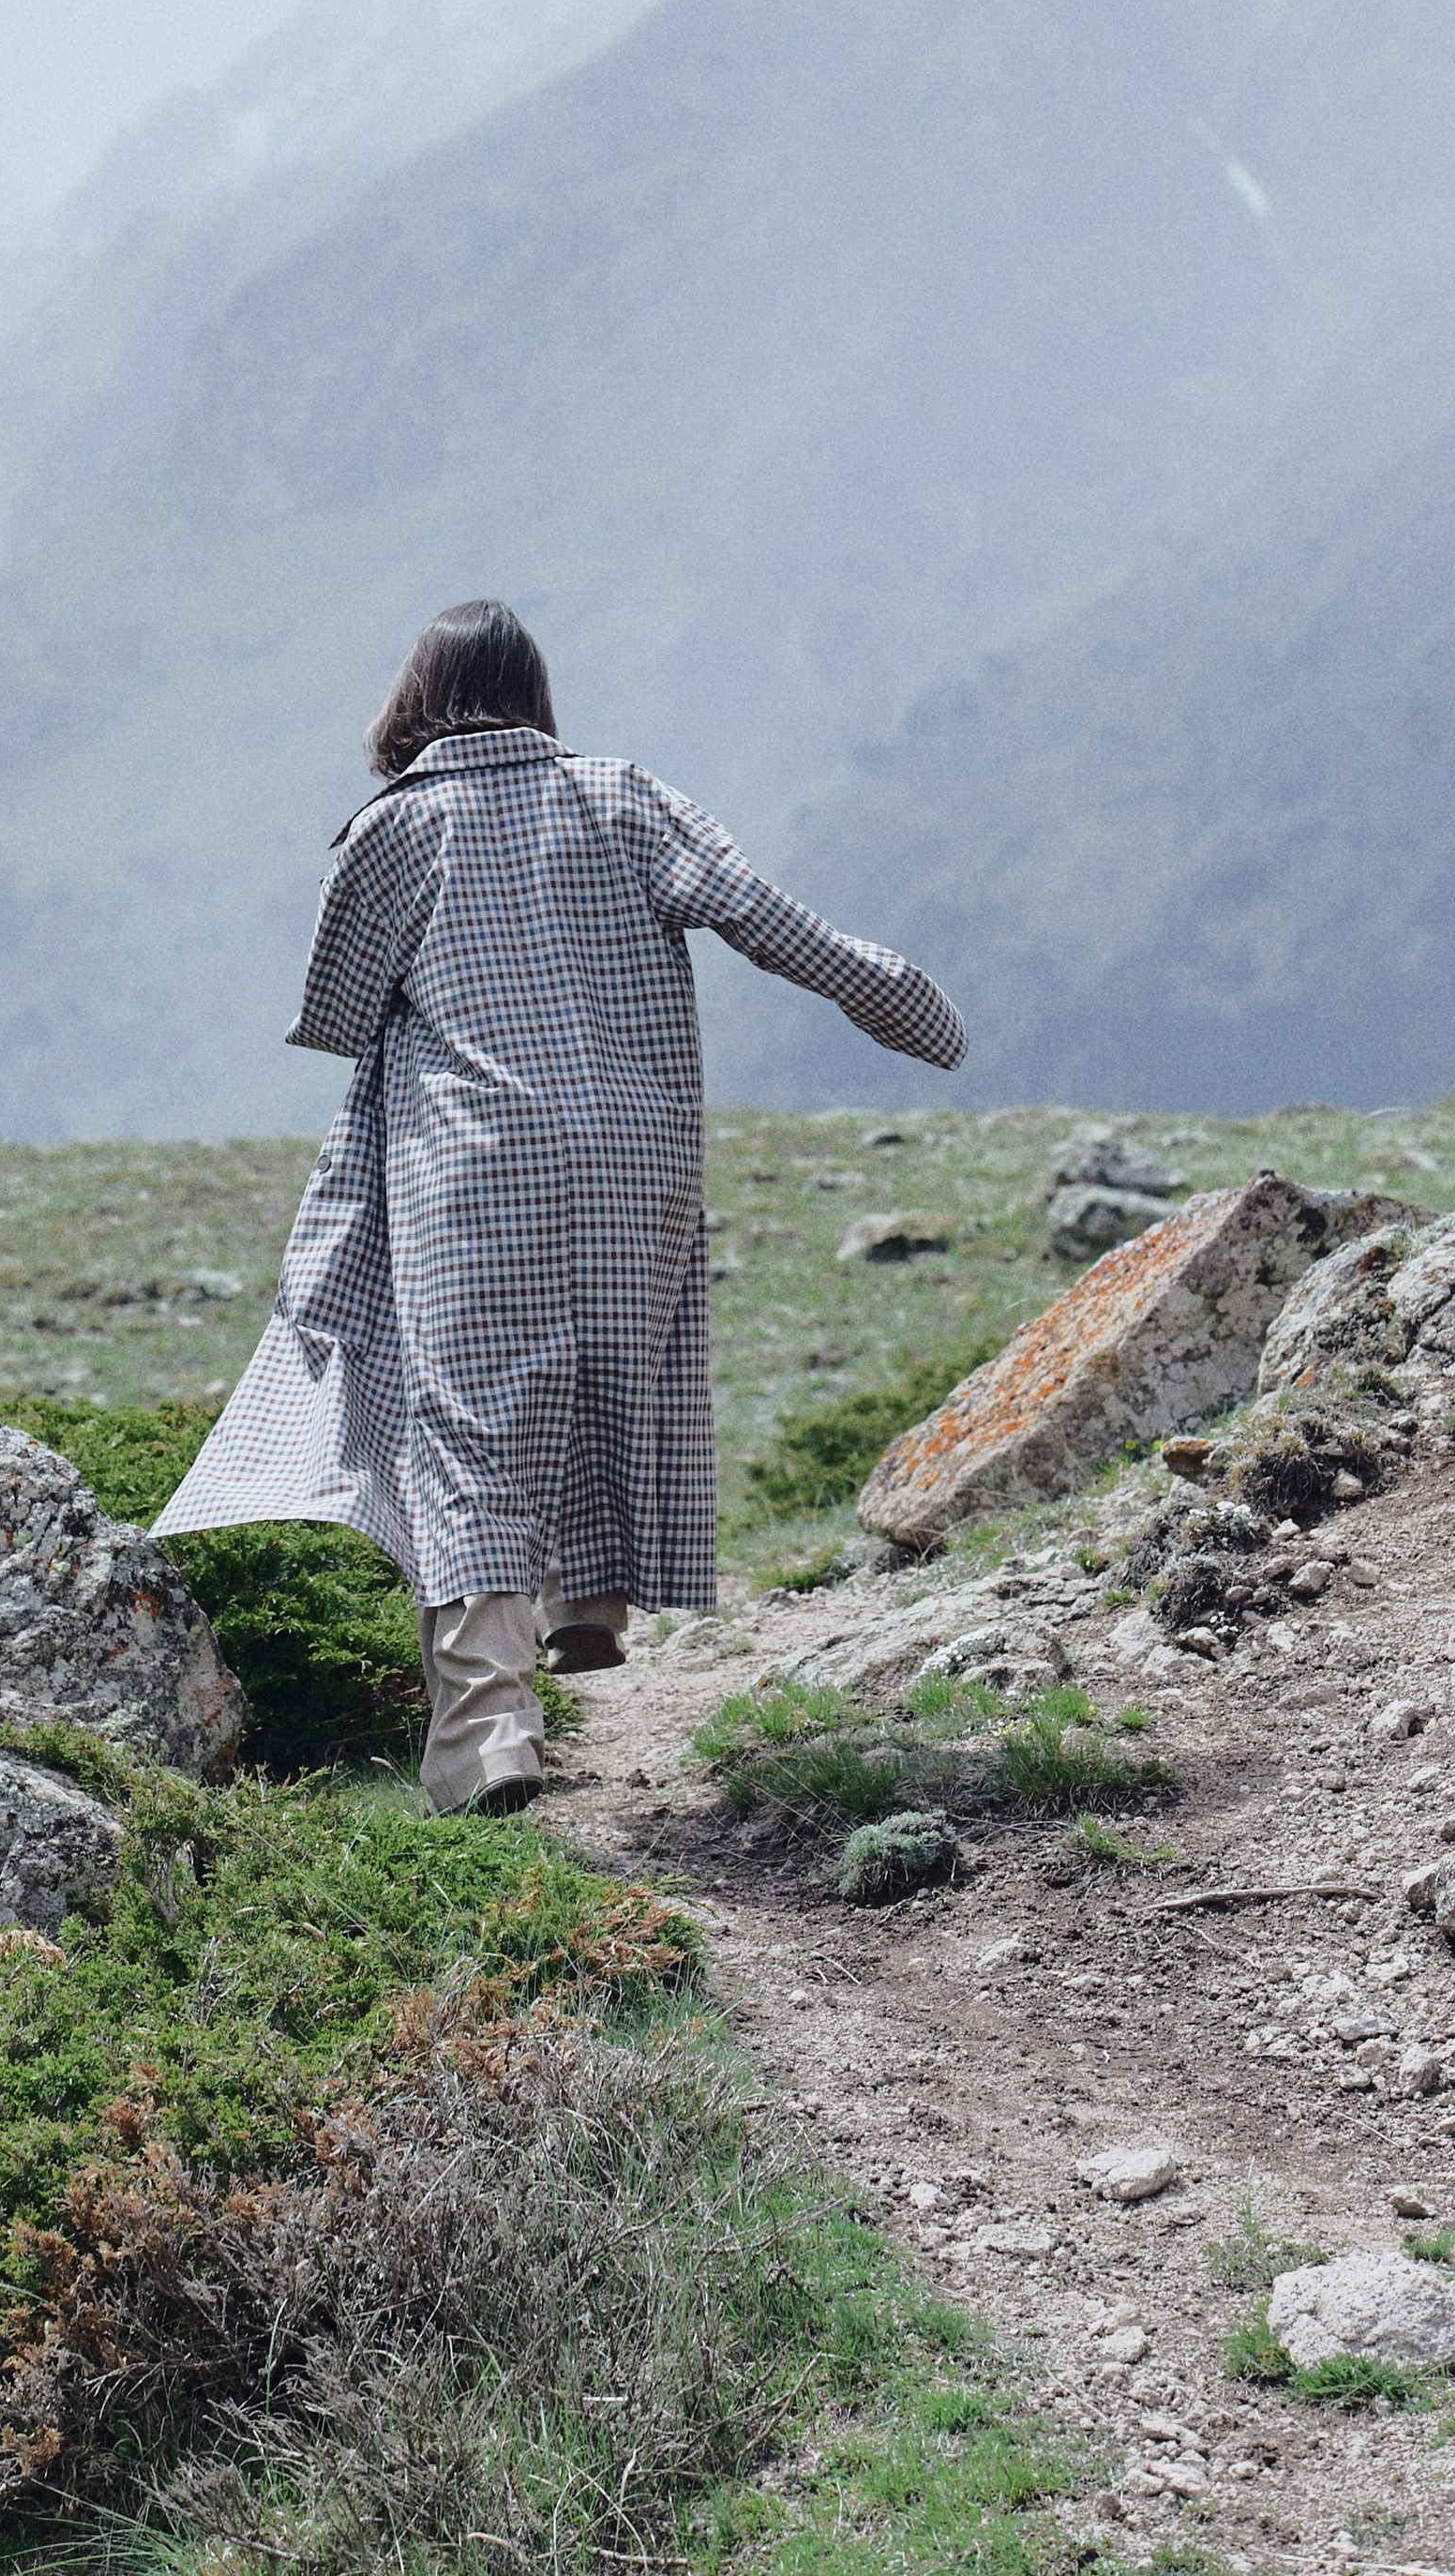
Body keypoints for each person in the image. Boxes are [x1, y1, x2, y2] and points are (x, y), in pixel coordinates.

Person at [153, 598, 966, 1814]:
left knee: (470, 1426)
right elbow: (765, 917)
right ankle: (588, 1606)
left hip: (471, 1167)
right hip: (636, 1159)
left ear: (412, 700)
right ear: (532, 694)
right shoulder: (625, 795)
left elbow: (337, 1014)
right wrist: (891, 994)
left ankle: (487, 1735)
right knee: (608, 1365)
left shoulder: (393, 833)